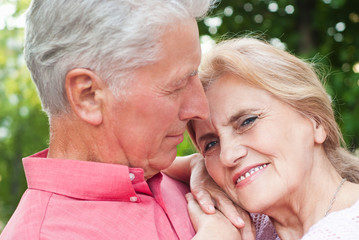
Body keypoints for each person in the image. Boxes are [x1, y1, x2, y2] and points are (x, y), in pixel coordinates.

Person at [0, 1, 245, 239]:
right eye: (177, 85)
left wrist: (203, 166)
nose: (200, 109)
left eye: (195, 75)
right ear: (88, 96)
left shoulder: (196, 180)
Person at [169, 37, 359, 239]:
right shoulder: (260, 219)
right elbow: (146, 162)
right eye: (211, 144)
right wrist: (198, 166)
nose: (227, 156)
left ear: (315, 121)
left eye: (247, 121)